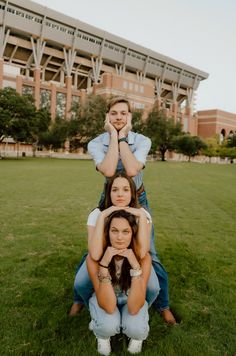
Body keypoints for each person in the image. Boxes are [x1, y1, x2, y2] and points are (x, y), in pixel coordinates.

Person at [87, 96, 176, 324]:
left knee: (149, 253)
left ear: (130, 117)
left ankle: (163, 305)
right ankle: (82, 295)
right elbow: (108, 170)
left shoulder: (142, 140)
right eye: (114, 113)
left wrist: (122, 137)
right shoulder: (96, 143)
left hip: (137, 197)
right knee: (95, 250)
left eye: (123, 113)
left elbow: (132, 168)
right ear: (107, 117)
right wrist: (113, 137)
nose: (118, 117)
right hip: (110, 197)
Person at [70, 172, 159, 315]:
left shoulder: (142, 214)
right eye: (115, 190)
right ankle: (88, 304)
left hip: (131, 259)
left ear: (132, 193)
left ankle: (141, 309)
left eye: (125, 189)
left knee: (154, 287)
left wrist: (141, 216)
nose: (120, 194)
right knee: (80, 283)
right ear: (108, 193)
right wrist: (104, 215)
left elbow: (142, 253)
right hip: (104, 260)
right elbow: (95, 254)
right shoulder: (97, 214)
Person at [87, 209, 156, 355]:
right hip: (105, 298)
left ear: (133, 234)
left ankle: (137, 336)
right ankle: (102, 334)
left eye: (126, 232)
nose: (119, 237)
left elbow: (134, 307)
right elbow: (109, 306)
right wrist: (104, 265)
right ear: (107, 232)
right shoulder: (95, 258)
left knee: (136, 329)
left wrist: (135, 266)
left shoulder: (143, 258)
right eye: (114, 231)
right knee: (108, 325)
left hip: (131, 298)